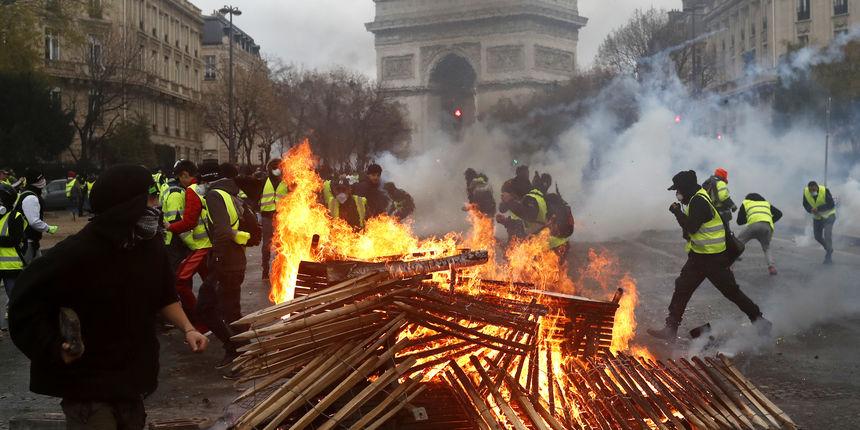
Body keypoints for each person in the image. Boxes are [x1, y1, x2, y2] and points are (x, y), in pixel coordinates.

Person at [8, 164, 208, 430]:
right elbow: (24, 304)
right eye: (150, 196)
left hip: (133, 381)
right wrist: (54, 348)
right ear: (126, 204)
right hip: (88, 386)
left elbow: (164, 295)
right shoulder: (78, 252)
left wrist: (188, 328)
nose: (157, 204)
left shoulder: (149, 246)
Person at [647, 170, 770, 342]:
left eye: (679, 190)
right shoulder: (695, 197)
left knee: (731, 292)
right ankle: (671, 329)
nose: (677, 193)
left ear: (687, 188)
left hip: (714, 259)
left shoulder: (699, 201)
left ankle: (760, 321)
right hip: (699, 257)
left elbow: (692, 227)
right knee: (682, 288)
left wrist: (676, 212)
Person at [198, 163, 259, 368]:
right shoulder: (230, 193)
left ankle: (240, 353)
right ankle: (237, 350)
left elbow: (223, 231)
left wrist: (216, 259)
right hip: (234, 261)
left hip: (226, 263)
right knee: (228, 309)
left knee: (214, 308)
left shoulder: (215, 195)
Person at [16, 167, 58, 264]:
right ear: (34, 182)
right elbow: (34, 221)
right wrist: (48, 228)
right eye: (40, 179)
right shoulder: (31, 198)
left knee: (39, 269)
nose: (43, 181)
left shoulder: (28, 194)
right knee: (27, 271)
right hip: (27, 242)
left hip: (30, 241)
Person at [0, 183, 26, 330]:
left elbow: (15, 240)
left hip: (11, 266)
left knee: (14, 298)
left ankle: (21, 326)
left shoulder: (15, 216)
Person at [737, 193, 783, 276]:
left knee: (737, 243)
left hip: (753, 226)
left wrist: (750, 217)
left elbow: (739, 221)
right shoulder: (766, 203)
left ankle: (729, 265)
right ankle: (771, 267)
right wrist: (769, 220)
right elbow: (779, 214)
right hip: (767, 227)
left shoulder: (746, 202)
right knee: (766, 247)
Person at [259, 158, 288, 280]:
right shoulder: (263, 181)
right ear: (269, 168)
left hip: (282, 217)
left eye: (279, 167)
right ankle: (265, 269)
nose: (277, 169)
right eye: (274, 167)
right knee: (266, 244)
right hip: (267, 216)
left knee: (280, 244)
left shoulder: (286, 182)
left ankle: (278, 270)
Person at [802, 181, 836, 264]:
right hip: (817, 217)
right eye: (810, 190)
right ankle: (828, 248)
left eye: (813, 190)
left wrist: (818, 208)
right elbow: (805, 204)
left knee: (827, 235)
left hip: (829, 216)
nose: (812, 192)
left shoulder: (824, 191)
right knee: (817, 237)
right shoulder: (806, 192)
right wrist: (810, 209)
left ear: (817, 187)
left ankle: (828, 256)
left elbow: (831, 204)